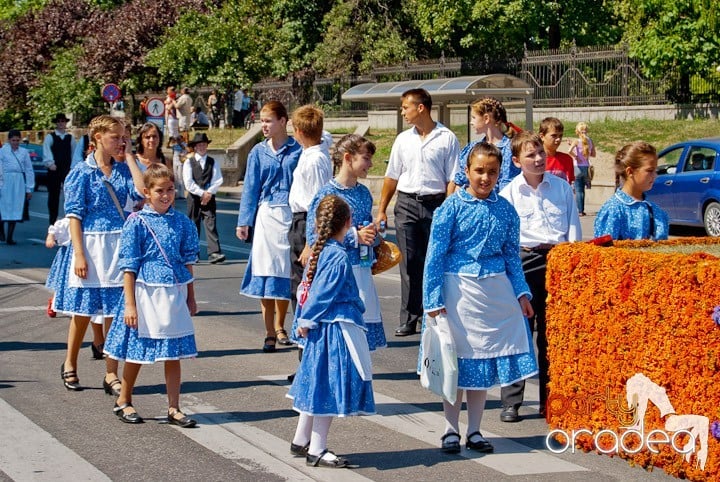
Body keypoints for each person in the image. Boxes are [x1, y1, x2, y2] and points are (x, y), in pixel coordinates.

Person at [423, 142, 537, 454]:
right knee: (454, 364)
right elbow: (435, 256)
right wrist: (432, 301)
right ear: (466, 171)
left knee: (482, 364)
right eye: (479, 171)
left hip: (495, 294)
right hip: (457, 292)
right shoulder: (450, 208)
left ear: (500, 173)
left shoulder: (506, 211)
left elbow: (512, 258)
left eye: (492, 172)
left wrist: (522, 293)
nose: (485, 177)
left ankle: (474, 430)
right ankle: (450, 429)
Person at [103, 163, 199, 426]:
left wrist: (191, 295)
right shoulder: (137, 222)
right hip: (145, 292)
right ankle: (124, 399)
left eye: (170, 189)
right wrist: (130, 306)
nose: (166, 195)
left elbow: (188, 260)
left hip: (174, 292)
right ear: (147, 192)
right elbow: (129, 267)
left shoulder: (181, 222)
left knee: (173, 353)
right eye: (160, 191)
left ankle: (174, 407)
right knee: (138, 351)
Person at [54, 115, 144, 394]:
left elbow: (142, 193)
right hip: (90, 246)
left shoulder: (124, 169)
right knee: (82, 312)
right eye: (115, 137)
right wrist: (79, 255)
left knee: (115, 314)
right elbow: (74, 215)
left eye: (123, 137)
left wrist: (129, 157)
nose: (120, 141)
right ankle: (70, 362)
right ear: (97, 139)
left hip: (117, 244)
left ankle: (110, 373)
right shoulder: (81, 172)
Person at [498, 132, 582, 422]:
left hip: (557, 259)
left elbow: (572, 228)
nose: (537, 159)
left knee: (552, 334)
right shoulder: (508, 193)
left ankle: (551, 400)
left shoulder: (561, 188)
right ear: (516, 160)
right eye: (530, 155)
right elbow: (506, 238)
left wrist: (572, 262)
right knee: (519, 331)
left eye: (540, 154)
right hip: (524, 260)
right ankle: (511, 401)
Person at [287, 194, 375, 468]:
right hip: (335, 329)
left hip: (321, 328)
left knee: (314, 384)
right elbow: (323, 294)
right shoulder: (337, 256)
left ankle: (301, 439)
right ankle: (317, 447)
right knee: (327, 387)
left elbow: (312, 291)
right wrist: (306, 320)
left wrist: (304, 320)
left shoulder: (322, 251)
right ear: (348, 223)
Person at [375, 88, 459, 337]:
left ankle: (433, 313)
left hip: (436, 204)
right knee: (410, 263)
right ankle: (410, 317)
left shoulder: (446, 138)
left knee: (434, 260)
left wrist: (447, 208)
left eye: (405, 107)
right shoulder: (403, 139)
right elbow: (392, 176)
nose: (403, 112)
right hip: (407, 203)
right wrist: (381, 210)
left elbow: (452, 178)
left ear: (420, 107)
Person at [302, 134, 386, 350]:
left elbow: (367, 226)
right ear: (348, 158)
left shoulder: (364, 193)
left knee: (361, 330)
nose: (370, 164)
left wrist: (373, 236)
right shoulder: (326, 194)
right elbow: (314, 237)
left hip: (362, 267)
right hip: (337, 271)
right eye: (366, 158)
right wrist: (354, 237)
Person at [236, 100, 302, 352]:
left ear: (283, 122)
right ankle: (268, 332)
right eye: (261, 121)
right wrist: (244, 221)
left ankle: (281, 325)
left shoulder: (297, 150)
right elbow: (250, 188)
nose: (263, 125)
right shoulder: (257, 152)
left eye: (268, 120)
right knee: (266, 270)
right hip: (266, 214)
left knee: (285, 270)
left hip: (290, 214)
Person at [287, 105, 332, 313]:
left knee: (303, 280)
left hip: (306, 221)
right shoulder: (314, 149)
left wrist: (310, 243)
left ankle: (304, 335)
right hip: (300, 219)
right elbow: (326, 136)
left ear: (300, 132)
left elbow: (317, 203)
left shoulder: (314, 160)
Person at [44, 217, 106, 358]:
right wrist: (51, 238)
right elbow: (57, 228)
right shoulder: (73, 220)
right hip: (80, 264)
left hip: (103, 258)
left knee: (103, 307)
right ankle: (98, 340)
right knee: (88, 306)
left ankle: (101, 343)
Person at [594, 141, 669, 241]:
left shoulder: (656, 211)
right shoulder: (613, 210)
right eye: (650, 170)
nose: (655, 176)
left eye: (655, 171)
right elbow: (604, 253)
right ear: (630, 171)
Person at [452, 97, 518, 193]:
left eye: (474, 117)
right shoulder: (472, 148)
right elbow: (460, 182)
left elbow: (506, 187)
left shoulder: (509, 149)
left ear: (486, 118)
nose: (471, 122)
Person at [182, 132, 226, 264]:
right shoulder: (188, 162)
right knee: (193, 224)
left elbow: (218, 180)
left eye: (204, 144)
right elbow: (188, 182)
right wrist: (202, 193)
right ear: (195, 147)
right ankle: (193, 253)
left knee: (211, 223)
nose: (201, 147)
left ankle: (214, 252)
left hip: (209, 197)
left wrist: (209, 193)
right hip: (194, 197)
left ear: (207, 146)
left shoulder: (213, 162)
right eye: (199, 145)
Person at [0, 129, 34, 244]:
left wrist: (29, 188)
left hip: (19, 181)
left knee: (16, 207)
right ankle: (1, 232)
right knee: (4, 206)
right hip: (6, 180)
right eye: (13, 140)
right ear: (9, 140)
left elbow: (29, 170)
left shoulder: (24, 152)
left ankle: (10, 236)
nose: (15, 142)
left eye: (17, 140)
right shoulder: (3, 151)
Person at [43, 113, 77, 225]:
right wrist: (50, 163)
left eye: (63, 121)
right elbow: (47, 151)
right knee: (53, 196)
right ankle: (52, 222)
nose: (61, 123)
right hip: (54, 169)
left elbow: (74, 153)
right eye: (59, 121)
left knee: (69, 195)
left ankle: (69, 221)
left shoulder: (70, 138)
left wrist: (73, 168)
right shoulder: (50, 137)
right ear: (56, 123)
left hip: (66, 169)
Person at [568, 122, 596, 216]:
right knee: (582, 190)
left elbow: (569, 151)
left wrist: (576, 156)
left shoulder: (576, 141)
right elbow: (593, 154)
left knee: (578, 190)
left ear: (577, 131)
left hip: (577, 167)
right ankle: (582, 209)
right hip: (587, 167)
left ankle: (580, 211)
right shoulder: (590, 141)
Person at [540, 117, 574, 184]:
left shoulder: (567, 159)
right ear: (542, 136)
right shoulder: (535, 160)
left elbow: (570, 186)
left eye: (560, 136)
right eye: (554, 135)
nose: (558, 139)